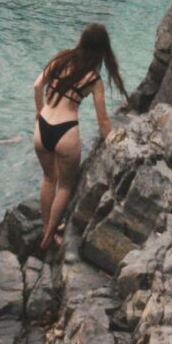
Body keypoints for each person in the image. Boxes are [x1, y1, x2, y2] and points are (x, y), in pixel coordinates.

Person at [33, 23, 121, 260]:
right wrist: (114, 143)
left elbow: (37, 85)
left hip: (42, 128)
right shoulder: (94, 78)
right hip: (65, 131)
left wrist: (40, 110)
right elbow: (103, 120)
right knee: (65, 186)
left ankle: (46, 227)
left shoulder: (61, 58)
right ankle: (49, 237)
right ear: (102, 49)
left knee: (48, 178)